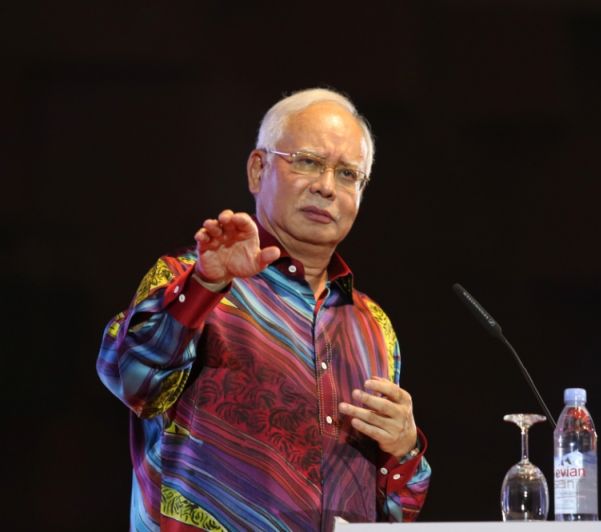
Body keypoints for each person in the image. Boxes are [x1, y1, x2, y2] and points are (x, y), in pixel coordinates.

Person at [97, 88, 431, 531]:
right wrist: (205, 285)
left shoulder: (372, 326)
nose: (326, 186)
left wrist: (404, 450)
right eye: (308, 162)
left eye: (348, 174)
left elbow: (393, 516)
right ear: (258, 169)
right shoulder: (191, 281)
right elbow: (129, 378)